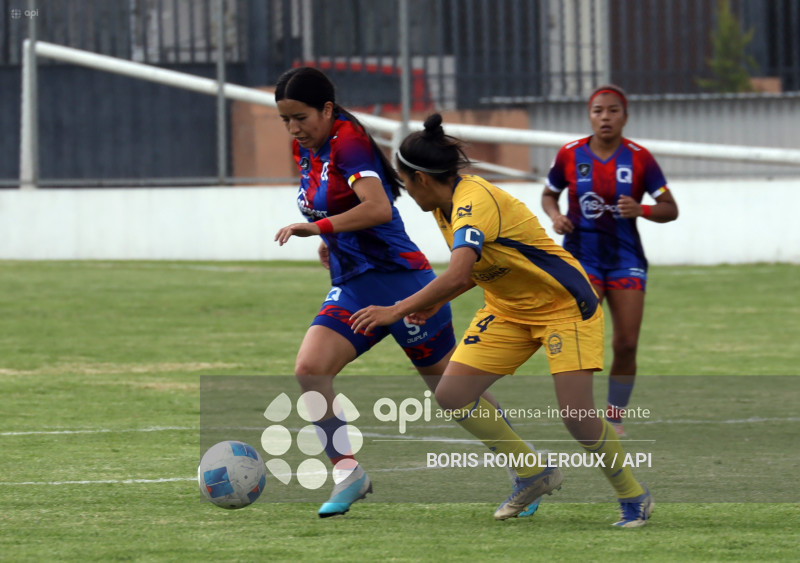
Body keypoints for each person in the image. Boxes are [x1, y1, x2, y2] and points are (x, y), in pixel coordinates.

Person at [351, 114, 653, 527]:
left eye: (404, 181)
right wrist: (437, 301)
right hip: (509, 309)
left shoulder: (473, 201)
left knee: (577, 416)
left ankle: (633, 496)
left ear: (421, 178)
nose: (404, 191)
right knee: (452, 393)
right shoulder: (444, 205)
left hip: (563, 305)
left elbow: (458, 271)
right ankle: (533, 472)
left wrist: (397, 309)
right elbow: (477, 271)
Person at [272, 67, 522, 518]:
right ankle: (348, 472)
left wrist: (319, 228)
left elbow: (378, 206)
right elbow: (331, 201)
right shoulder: (305, 148)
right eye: (285, 119)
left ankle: (525, 468)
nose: (293, 128)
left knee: (452, 391)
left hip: (400, 281)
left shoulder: (349, 142)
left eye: (300, 117)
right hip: (352, 284)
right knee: (311, 369)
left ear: (327, 110)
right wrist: (332, 244)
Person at [541, 84, 678, 437]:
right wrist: (555, 216)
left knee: (626, 343)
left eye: (613, 110)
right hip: (581, 258)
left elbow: (670, 208)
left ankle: (614, 417)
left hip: (625, 259)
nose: (605, 117)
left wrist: (643, 208)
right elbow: (548, 194)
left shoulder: (640, 158)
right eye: (598, 110)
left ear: (625, 116)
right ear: (589, 115)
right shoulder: (570, 154)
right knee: (580, 336)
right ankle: (581, 413)